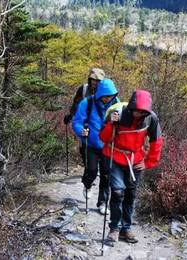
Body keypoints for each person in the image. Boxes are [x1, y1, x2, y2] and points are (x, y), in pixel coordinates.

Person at [99, 90, 163, 244]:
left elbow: (157, 142)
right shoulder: (117, 113)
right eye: (136, 110)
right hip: (115, 157)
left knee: (130, 195)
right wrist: (111, 124)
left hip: (135, 161)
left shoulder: (150, 119)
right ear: (131, 106)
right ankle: (114, 228)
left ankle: (126, 229)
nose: (138, 114)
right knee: (117, 192)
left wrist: (148, 162)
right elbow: (103, 138)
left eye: (142, 112)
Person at [72, 79, 119, 215]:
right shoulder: (87, 103)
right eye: (106, 96)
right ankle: (87, 185)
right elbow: (77, 122)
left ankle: (103, 203)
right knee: (91, 170)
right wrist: (81, 131)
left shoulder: (116, 104)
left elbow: (123, 123)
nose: (108, 98)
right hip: (91, 144)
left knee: (106, 174)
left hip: (108, 145)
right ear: (100, 94)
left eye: (111, 96)